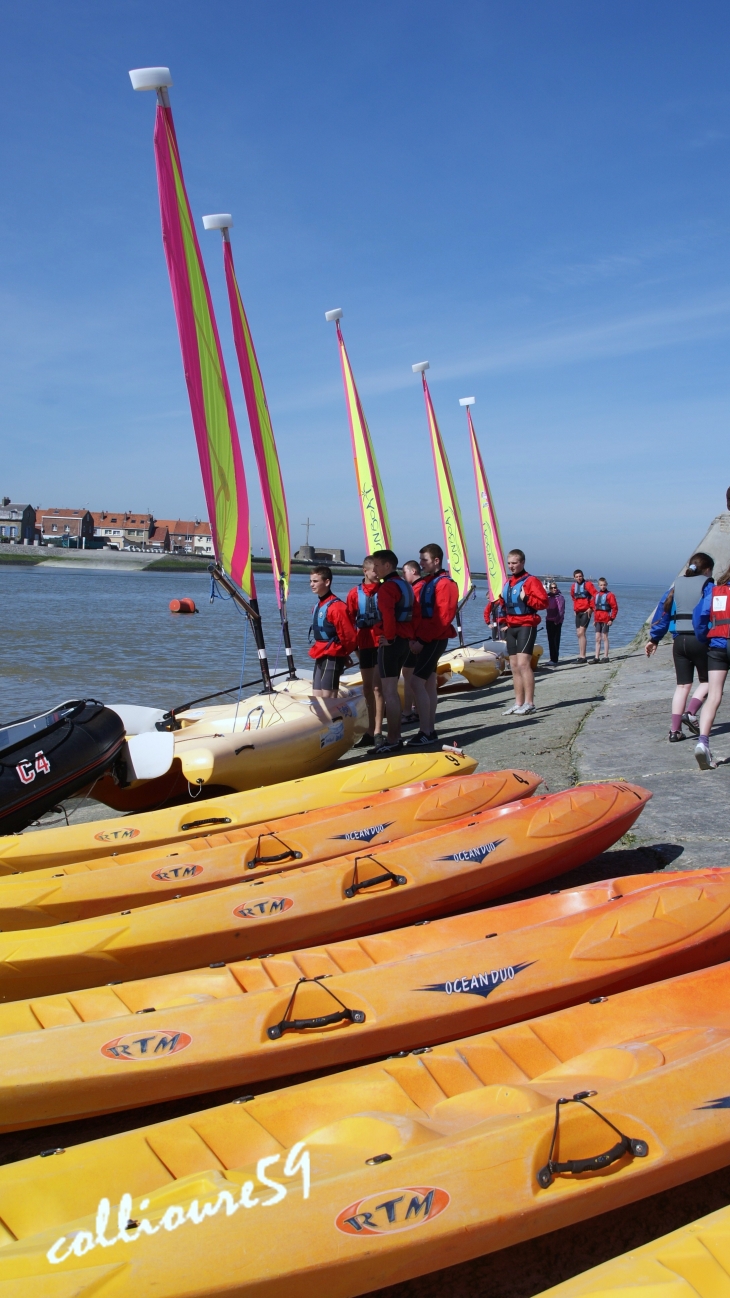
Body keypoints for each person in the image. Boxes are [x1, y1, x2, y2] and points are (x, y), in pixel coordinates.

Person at [645, 552, 714, 742]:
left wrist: (654, 639)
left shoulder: (676, 587)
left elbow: (663, 611)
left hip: (678, 642)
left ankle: (674, 731)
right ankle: (691, 713)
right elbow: (712, 610)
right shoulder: (708, 586)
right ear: (707, 570)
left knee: (682, 686)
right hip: (700, 640)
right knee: (709, 682)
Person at [406, 542, 459, 747]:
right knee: (427, 683)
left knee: (416, 683)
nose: (421, 564)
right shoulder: (430, 582)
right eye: (420, 560)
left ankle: (426, 730)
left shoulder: (445, 584)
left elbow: (443, 617)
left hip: (434, 639)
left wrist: (421, 640)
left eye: (424, 560)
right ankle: (429, 730)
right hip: (424, 638)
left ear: (436, 561)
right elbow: (419, 614)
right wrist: (413, 637)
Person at [485, 548, 548, 716]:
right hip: (511, 627)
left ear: (522, 563)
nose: (511, 566)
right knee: (513, 666)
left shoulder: (531, 581)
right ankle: (518, 703)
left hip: (526, 625)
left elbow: (543, 603)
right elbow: (504, 603)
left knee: (523, 664)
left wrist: (526, 598)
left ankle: (530, 703)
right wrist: (503, 618)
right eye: (509, 563)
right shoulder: (509, 582)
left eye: (514, 563)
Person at [370, 549, 416, 752]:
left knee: (389, 691)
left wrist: (388, 638)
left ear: (387, 566)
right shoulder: (405, 584)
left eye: (377, 565)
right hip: (405, 641)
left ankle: (393, 739)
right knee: (392, 690)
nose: (374, 570)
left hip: (391, 642)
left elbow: (388, 616)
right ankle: (395, 737)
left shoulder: (387, 588)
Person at [692, 563, 730, 769]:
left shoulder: (715, 592)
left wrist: (705, 639)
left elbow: (699, 618)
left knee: (714, 696)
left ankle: (703, 743)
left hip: (717, 646)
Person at [346, 556, 385, 749]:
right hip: (364, 644)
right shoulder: (354, 593)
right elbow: (349, 622)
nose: (377, 574)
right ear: (365, 571)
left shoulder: (384, 591)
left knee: (378, 688)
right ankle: (369, 730)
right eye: (374, 571)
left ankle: (378, 731)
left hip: (381, 644)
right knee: (367, 689)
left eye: (379, 570)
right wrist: (354, 649)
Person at [308, 566, 357, 697]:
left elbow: (349, 636)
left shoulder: (337, 607)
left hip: (333, 653)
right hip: (320, 651)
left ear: (327, 582)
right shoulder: (318, 605)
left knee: (327, 694)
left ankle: (334, 715)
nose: (311, 584)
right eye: (311, 581)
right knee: (316, 693)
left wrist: (345, 654)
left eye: (315, 581)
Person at [400, 560, 422, 723]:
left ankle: (408, 712)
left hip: (413, 638)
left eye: (404, 572)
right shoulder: (422, 587)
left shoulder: (416, 589)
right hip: (417, 638)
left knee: (408, 675)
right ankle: (416, 708)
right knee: (415, 675)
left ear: (413, 571)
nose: (402, 576)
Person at [570, 570, 597, 663]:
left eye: (580, 576)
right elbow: (573, 598)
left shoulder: (588, 585)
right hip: (578, 612)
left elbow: (595, 596)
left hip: (586, 611)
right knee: (578, 634)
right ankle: (580, 655)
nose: (578, 578)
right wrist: (575, 609)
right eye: (577, 576)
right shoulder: (573, 586)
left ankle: (583, 656)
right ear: (574, 578)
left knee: (582, 632)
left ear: (583, 576)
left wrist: (591, 608)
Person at [592, 578, 618, 663]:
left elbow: (615, 608)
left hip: (606, 618)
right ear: (598, 585)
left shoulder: (610, 595)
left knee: (605, 637)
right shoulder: (596, 595)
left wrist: (611, 619)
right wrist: (595, 620)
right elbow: (595, 608)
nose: (603, 586)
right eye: (601, 585)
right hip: (598, 619)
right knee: (597, 638)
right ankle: (596, 657)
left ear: (606, 585)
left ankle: (606, 656)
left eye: (604, 585)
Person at [545, 581, 565, 667]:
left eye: (555, 587)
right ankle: (552, 658)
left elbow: (561, 610)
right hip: (548, 620)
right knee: (550, 640)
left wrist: (557, 620)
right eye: (552, 588)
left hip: (556, 621)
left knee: (555, 640)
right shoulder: (548, 597)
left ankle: (555, 659)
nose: (554, 589)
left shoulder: (560, 597)